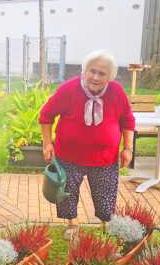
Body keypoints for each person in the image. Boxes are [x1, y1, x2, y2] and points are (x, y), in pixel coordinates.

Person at [39, 49, 136, 240]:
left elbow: (128, 120)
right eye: (92, 71)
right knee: (68, 191)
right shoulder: (68, 89)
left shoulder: (116, 92)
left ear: (110, 76)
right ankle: (72, 223)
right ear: (84, 70)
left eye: (102, 73)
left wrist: (128, 148)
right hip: (69, 155)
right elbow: (46, 114)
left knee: (106, 192)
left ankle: (106, 222)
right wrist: (47, 144)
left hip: (105, 158)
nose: (96, 77)